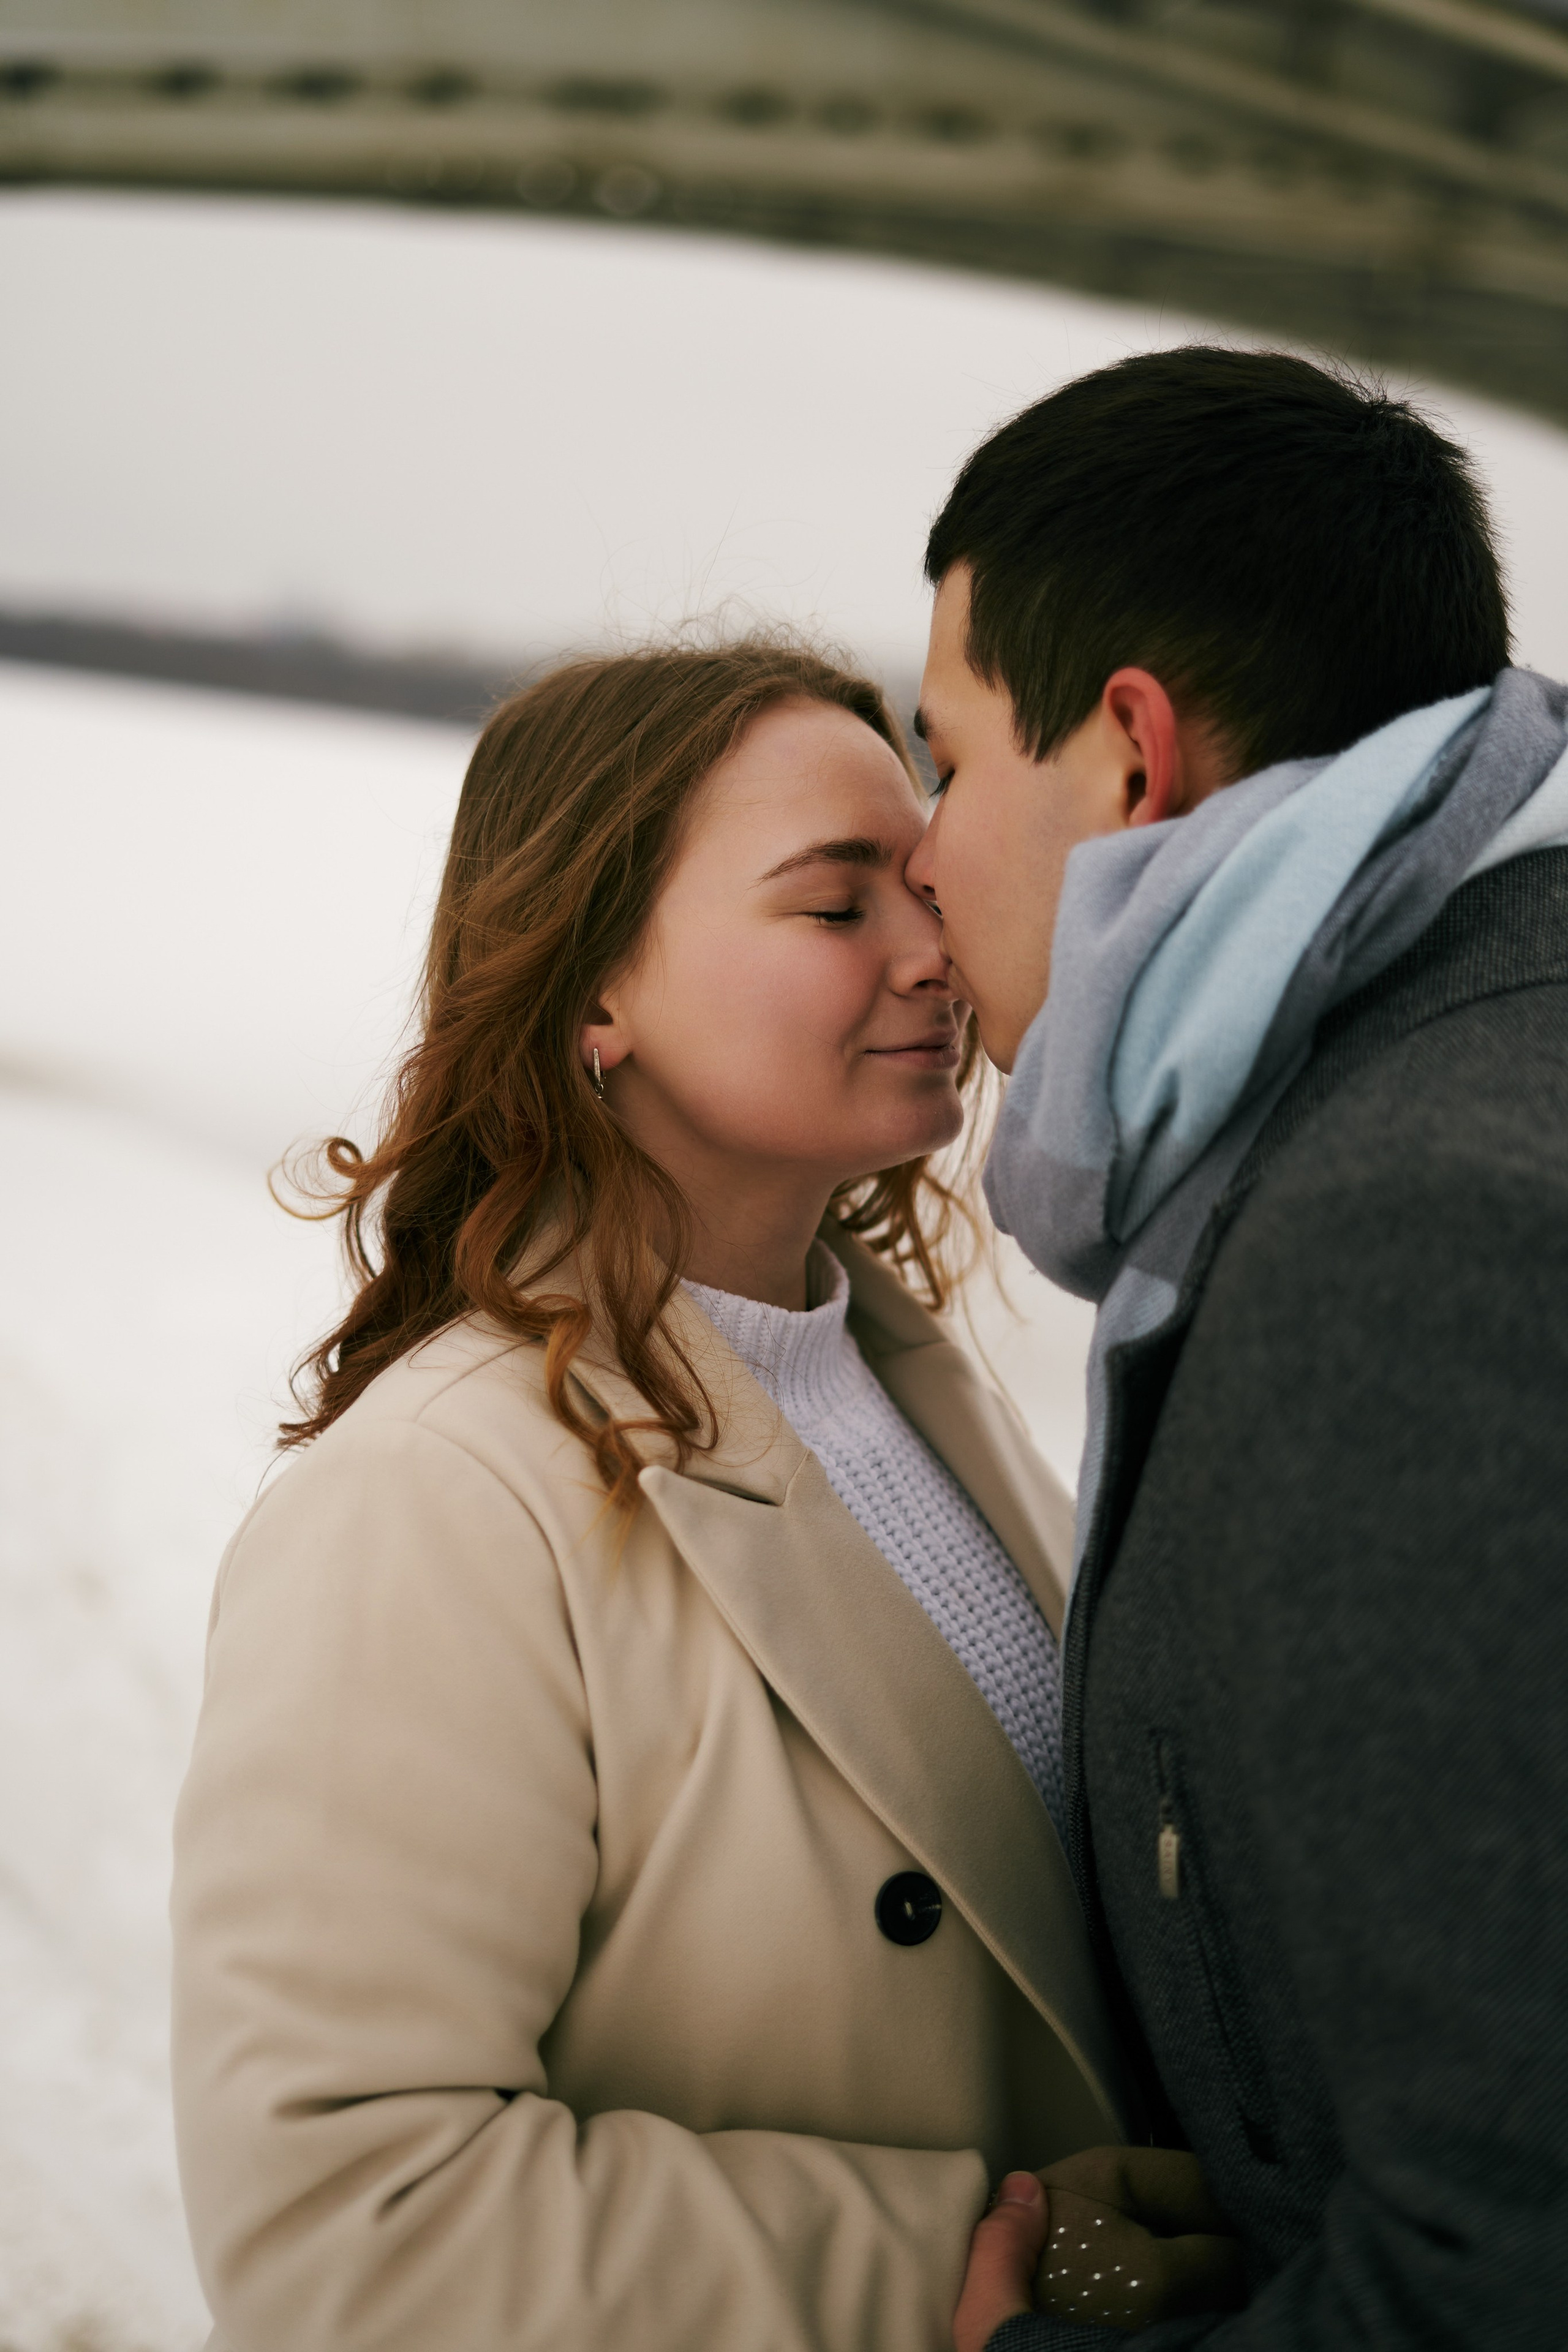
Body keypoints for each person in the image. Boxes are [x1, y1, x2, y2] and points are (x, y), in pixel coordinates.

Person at [170, 642, 1143, 2352]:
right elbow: (347, 2222)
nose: (937, 952)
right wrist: (968, 2266)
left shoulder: (916, 1392)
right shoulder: (439, 1498)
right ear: (592, 993)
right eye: (837, 909)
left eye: (921, 881)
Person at [904, 347, 1568, 2351]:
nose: (929, 860)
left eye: (950, 762)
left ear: (1130, 754)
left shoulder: (1408, 1239)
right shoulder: (1485, 1042)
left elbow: (1507, 2264)